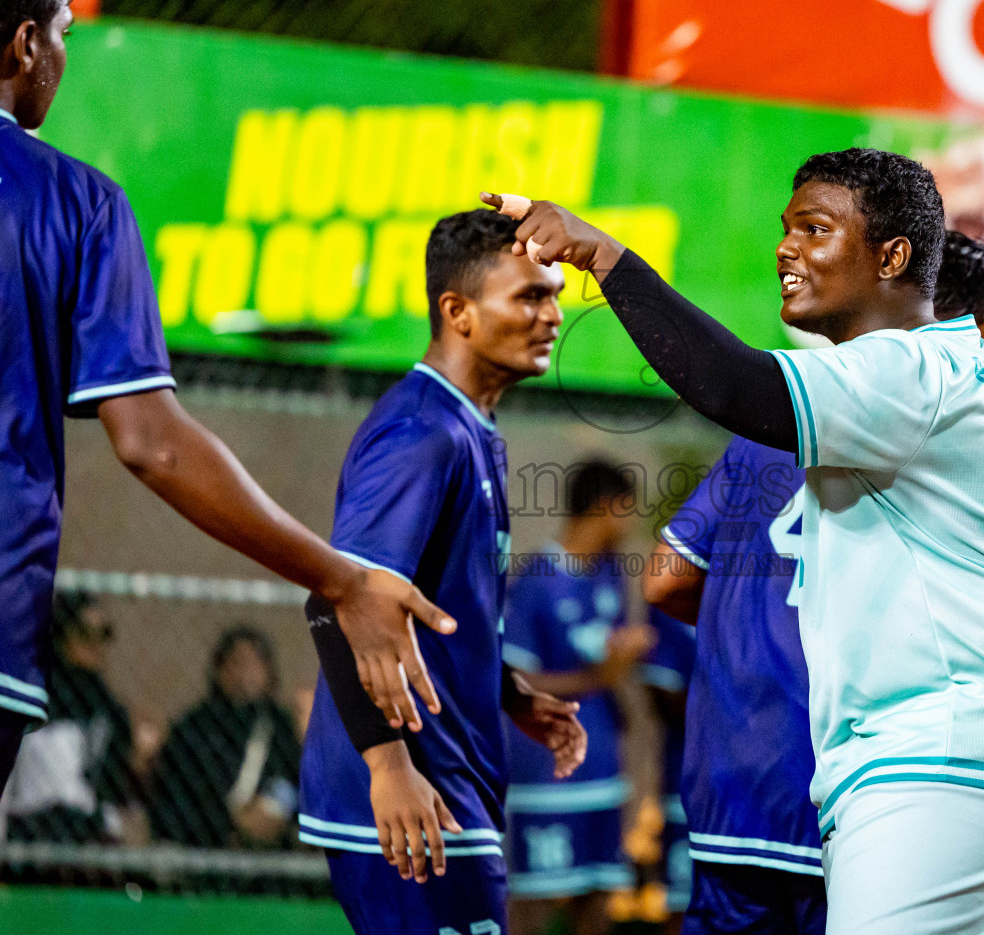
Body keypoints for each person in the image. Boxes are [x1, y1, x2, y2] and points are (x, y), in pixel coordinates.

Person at [0, 0, 448, 934]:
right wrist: (338, 573)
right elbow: (153, 442)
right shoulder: (72, 200)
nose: (60, 59)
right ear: (21, 47)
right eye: (61, 37)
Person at [481, 151, 984, 935]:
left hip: (940, 754)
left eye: (817, 228)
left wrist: (606, 257)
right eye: (787, 228)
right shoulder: (964, 384)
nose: (787, 247)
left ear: (893, 257)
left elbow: (735, 387)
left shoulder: (907, 370)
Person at [643, 231, 984, 935]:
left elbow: (664, 581)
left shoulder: (773, 427)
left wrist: (749, 638)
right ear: (948, 327)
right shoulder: (965, 443)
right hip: (874, 778)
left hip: (737, 779)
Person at [298, 209, 589, 935]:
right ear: (456, 311)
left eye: (554, 295)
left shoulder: (470, 429)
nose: (552, 314)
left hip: (451, 779)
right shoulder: (421, 432)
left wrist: (503, 688)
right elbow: (337, 603)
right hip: (412, 794)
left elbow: (435, 608)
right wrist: (388, 765)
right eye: (529, 296)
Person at [501, 461, 655, 935]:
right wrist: (600, 677)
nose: (629, 522)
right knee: (537, 900)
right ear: (605, 507)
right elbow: (514, 682)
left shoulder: (611, 576)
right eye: (626, 509)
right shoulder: (537, 579)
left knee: (599, 898)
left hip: (603, 768)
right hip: (547, 770)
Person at [149, 627, 303, 848]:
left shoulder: (279, 726)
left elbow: (293, 779)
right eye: (239, 662)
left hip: (270, 846)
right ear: (220, 670)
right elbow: (182, 791)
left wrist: (274, 810)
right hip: (206, 839)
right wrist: (233, 819)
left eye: (256, 663)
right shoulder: (195, 727)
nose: (246, 673)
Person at [3, 592, 138, 844]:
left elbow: (110, 788)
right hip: (30, 823)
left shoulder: (108, 710)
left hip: (85, 828)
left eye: (104, 635)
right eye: (85, 635)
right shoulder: (33, 696)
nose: (96, 646)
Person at [642, 605, 697, 930]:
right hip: (689, 782)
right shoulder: (672, 606)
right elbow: (663, 700)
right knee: (683, 903)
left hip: (768, 786)